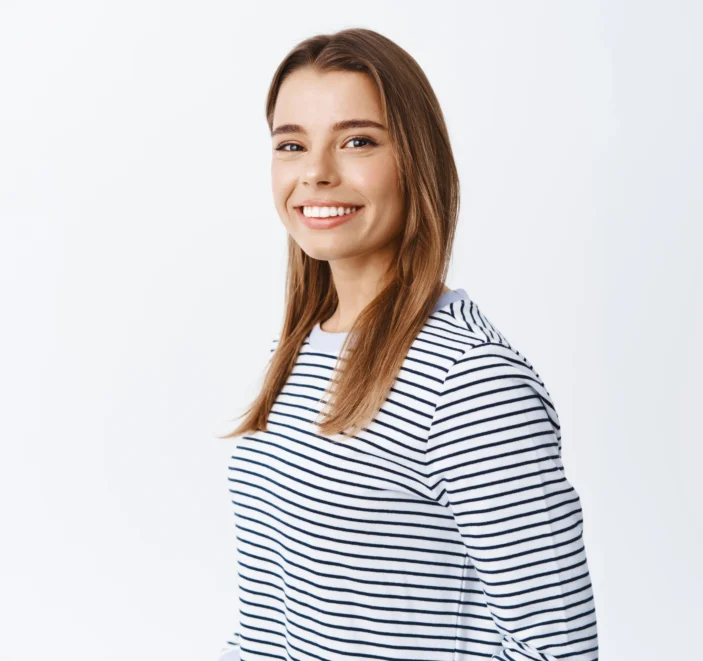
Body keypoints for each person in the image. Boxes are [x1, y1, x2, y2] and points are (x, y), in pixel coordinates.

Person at [216, 28, 599, 661]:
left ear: (415, 159)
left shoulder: (470, 381)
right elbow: (266, 626)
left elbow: (556, 650)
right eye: (292, 144)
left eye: (357, 140)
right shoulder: (303, 353)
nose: (315, 172)